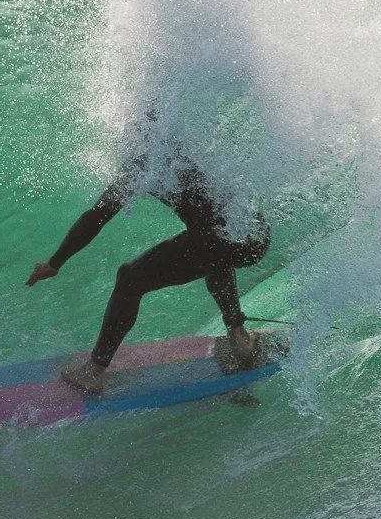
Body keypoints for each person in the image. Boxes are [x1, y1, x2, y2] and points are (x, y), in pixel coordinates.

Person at [27, 146, 269, 395]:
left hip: (217, 238)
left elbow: (98, 215)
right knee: (213, 249)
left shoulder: (144, 160)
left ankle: (93, 372)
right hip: (255, 235)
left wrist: (55, 263)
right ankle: (239, 336)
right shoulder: (188, 146)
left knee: (130, 279)